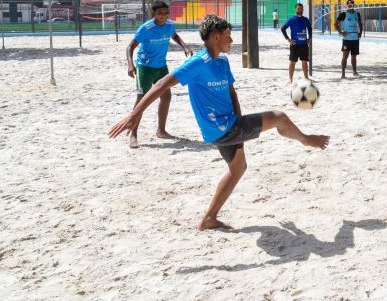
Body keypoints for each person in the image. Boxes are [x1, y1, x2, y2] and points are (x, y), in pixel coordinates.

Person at [110, 15, 329, 230]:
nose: (231, 40)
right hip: (220, 128)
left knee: (238, 168)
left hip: (230, 124)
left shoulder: (222, 61)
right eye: (228, 35)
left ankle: (209, 218)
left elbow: (232, 93)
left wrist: (240, 119)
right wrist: (134, 114)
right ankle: (305, 139)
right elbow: (159, 85)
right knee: (279, 117)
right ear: (215, 37)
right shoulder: (196, 64)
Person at [125, 0, 192, 148]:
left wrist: (185, 46)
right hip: (145, 68)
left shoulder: (169, 24)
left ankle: (161, 131)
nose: (163, 16)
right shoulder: (146, 28)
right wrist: (131, 64)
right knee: (141, 101)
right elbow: (130, 47)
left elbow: (174, 35)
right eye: (160, 13)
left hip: (161, 67)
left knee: (166, 97)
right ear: (153, 14)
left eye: (166, 12)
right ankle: (133, 134)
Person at [281, 3, 312, 83]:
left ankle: (306, 77)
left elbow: (309, 28)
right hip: (294, 45)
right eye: (298, 9)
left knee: (304, 62)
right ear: (295, 9)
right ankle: (290, 79)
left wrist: (310, 38)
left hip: (304, 45)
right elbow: (283, 29)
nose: (300, 10)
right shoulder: (291, 19)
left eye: (301, 9)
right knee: (292, 62)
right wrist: (288, 39)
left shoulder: (305, 19)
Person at [335, 0, 363, 78]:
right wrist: (341, 32)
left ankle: (354, 72)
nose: (350, 5)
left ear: (353, 5)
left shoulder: (357, 14)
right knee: (345, 56)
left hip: (355, 39)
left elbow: (360, 24)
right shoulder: (344, 14)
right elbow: (335, 24)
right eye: (349, 4)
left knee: (354, 56)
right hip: (346, 39)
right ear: (347, 5)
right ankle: (343, 74)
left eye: (352, 4)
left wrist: (360, 33)